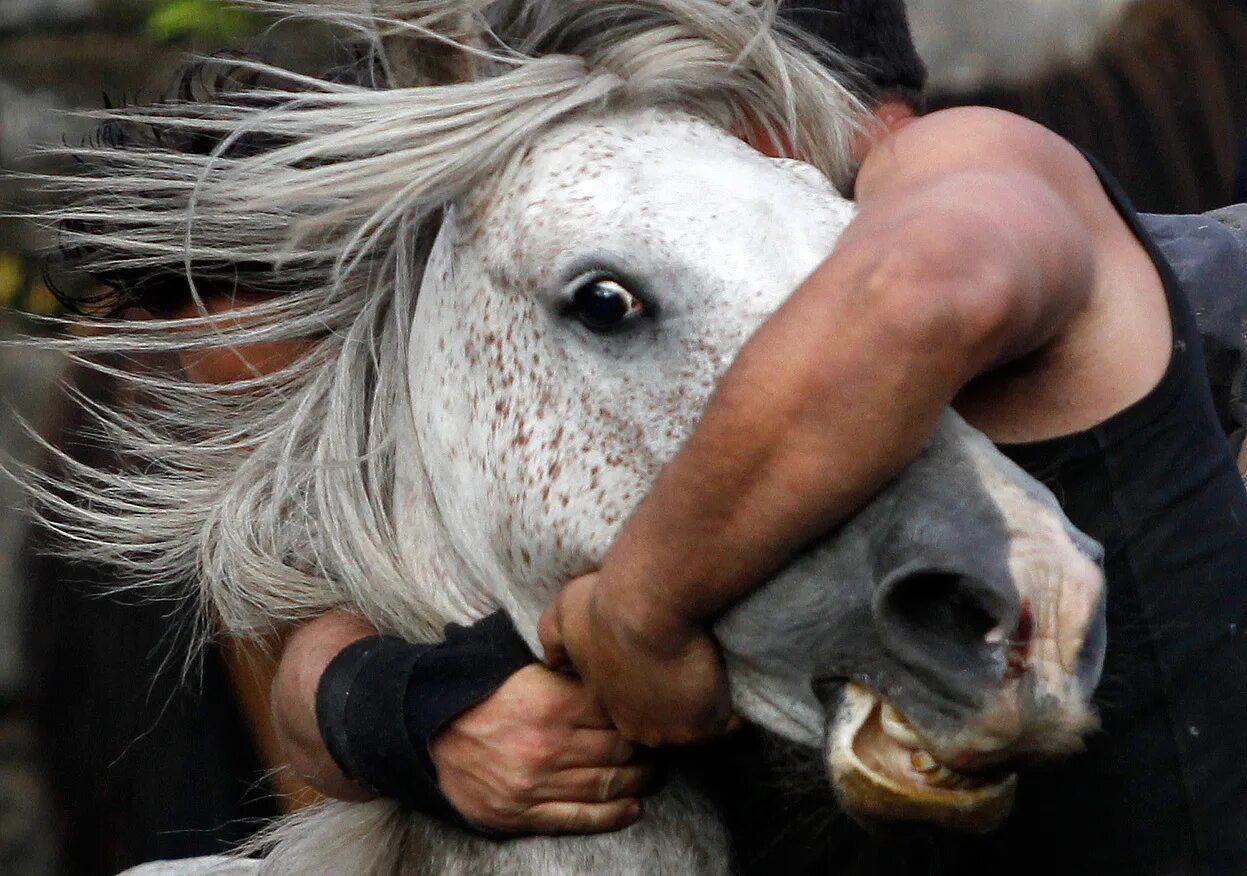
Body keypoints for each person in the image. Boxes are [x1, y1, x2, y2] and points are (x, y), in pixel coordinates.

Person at [271, 6, 1247, 876]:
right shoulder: (677, 358)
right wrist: (417, 716)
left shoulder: (960, 164)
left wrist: (640, 609)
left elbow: (917, 294)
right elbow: (322, 646)